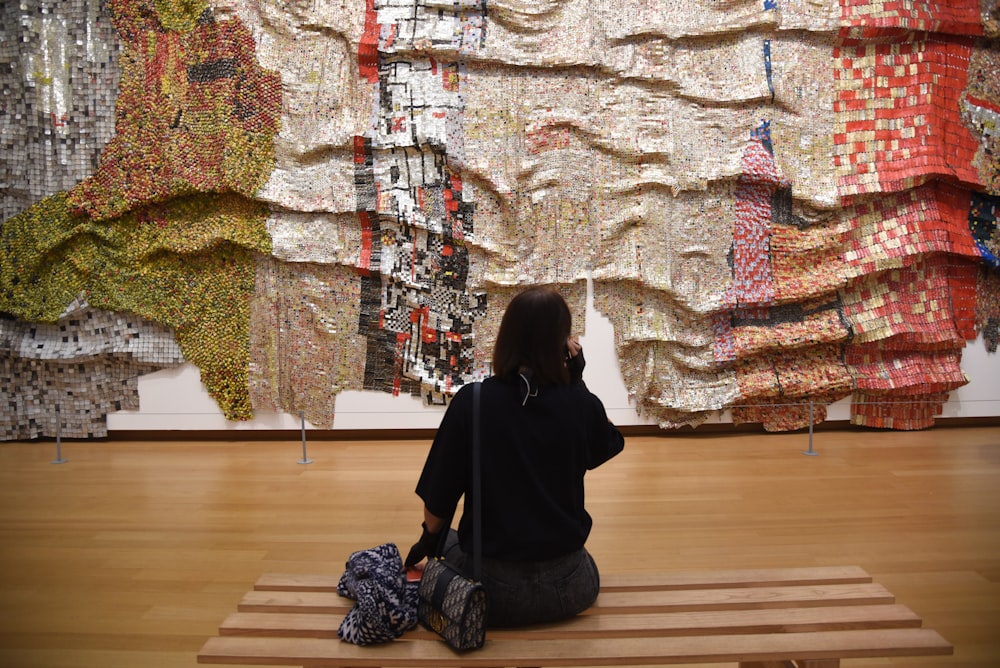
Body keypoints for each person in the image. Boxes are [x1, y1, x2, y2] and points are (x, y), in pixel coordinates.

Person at [404, 286, 625, 627]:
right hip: (572, 585)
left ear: (506, 338)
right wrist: (576, 380)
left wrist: (427, 543)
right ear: (562, 345)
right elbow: (608, 442)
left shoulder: (473, 402)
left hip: (492, 591)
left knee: (450, 540)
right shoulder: (580, 404)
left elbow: (437, 506)